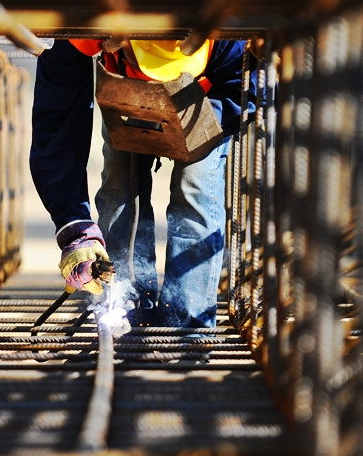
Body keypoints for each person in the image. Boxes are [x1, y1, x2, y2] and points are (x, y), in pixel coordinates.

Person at [29, 37, 254, 329]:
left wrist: (201, 128)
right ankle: (124, 309)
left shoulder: (227, 42)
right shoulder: (83, 28)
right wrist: (74, 227)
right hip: (125, 81)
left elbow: (246, 91)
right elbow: (57, 125)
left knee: (195, 187)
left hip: (206, 90)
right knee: (119, 186)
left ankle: (186, 326)